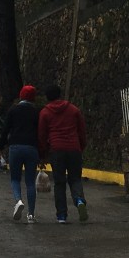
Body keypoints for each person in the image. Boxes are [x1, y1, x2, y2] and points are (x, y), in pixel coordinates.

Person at [38, 83, 88, 224]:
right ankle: (79, 200)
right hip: (74, 148)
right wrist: (81, 146)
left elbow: (42, 135)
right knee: (75, 179)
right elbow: (82, 131)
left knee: (59, 183)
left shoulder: (45, 113)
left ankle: (61, 216)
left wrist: (43, 153)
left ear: (47, 97)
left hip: (56, 150)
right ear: (60, 94)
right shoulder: (73, 110)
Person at [0, 84, 41, 223]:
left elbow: (5, 130)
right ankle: (31, 215)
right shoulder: (37, 112)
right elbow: (41, 133)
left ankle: (18, 201)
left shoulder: (13, 110)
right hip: (32, 148)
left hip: (15, 147)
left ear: (21, 95)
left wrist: (0, 147)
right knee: (30, 182)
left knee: (15, 179)